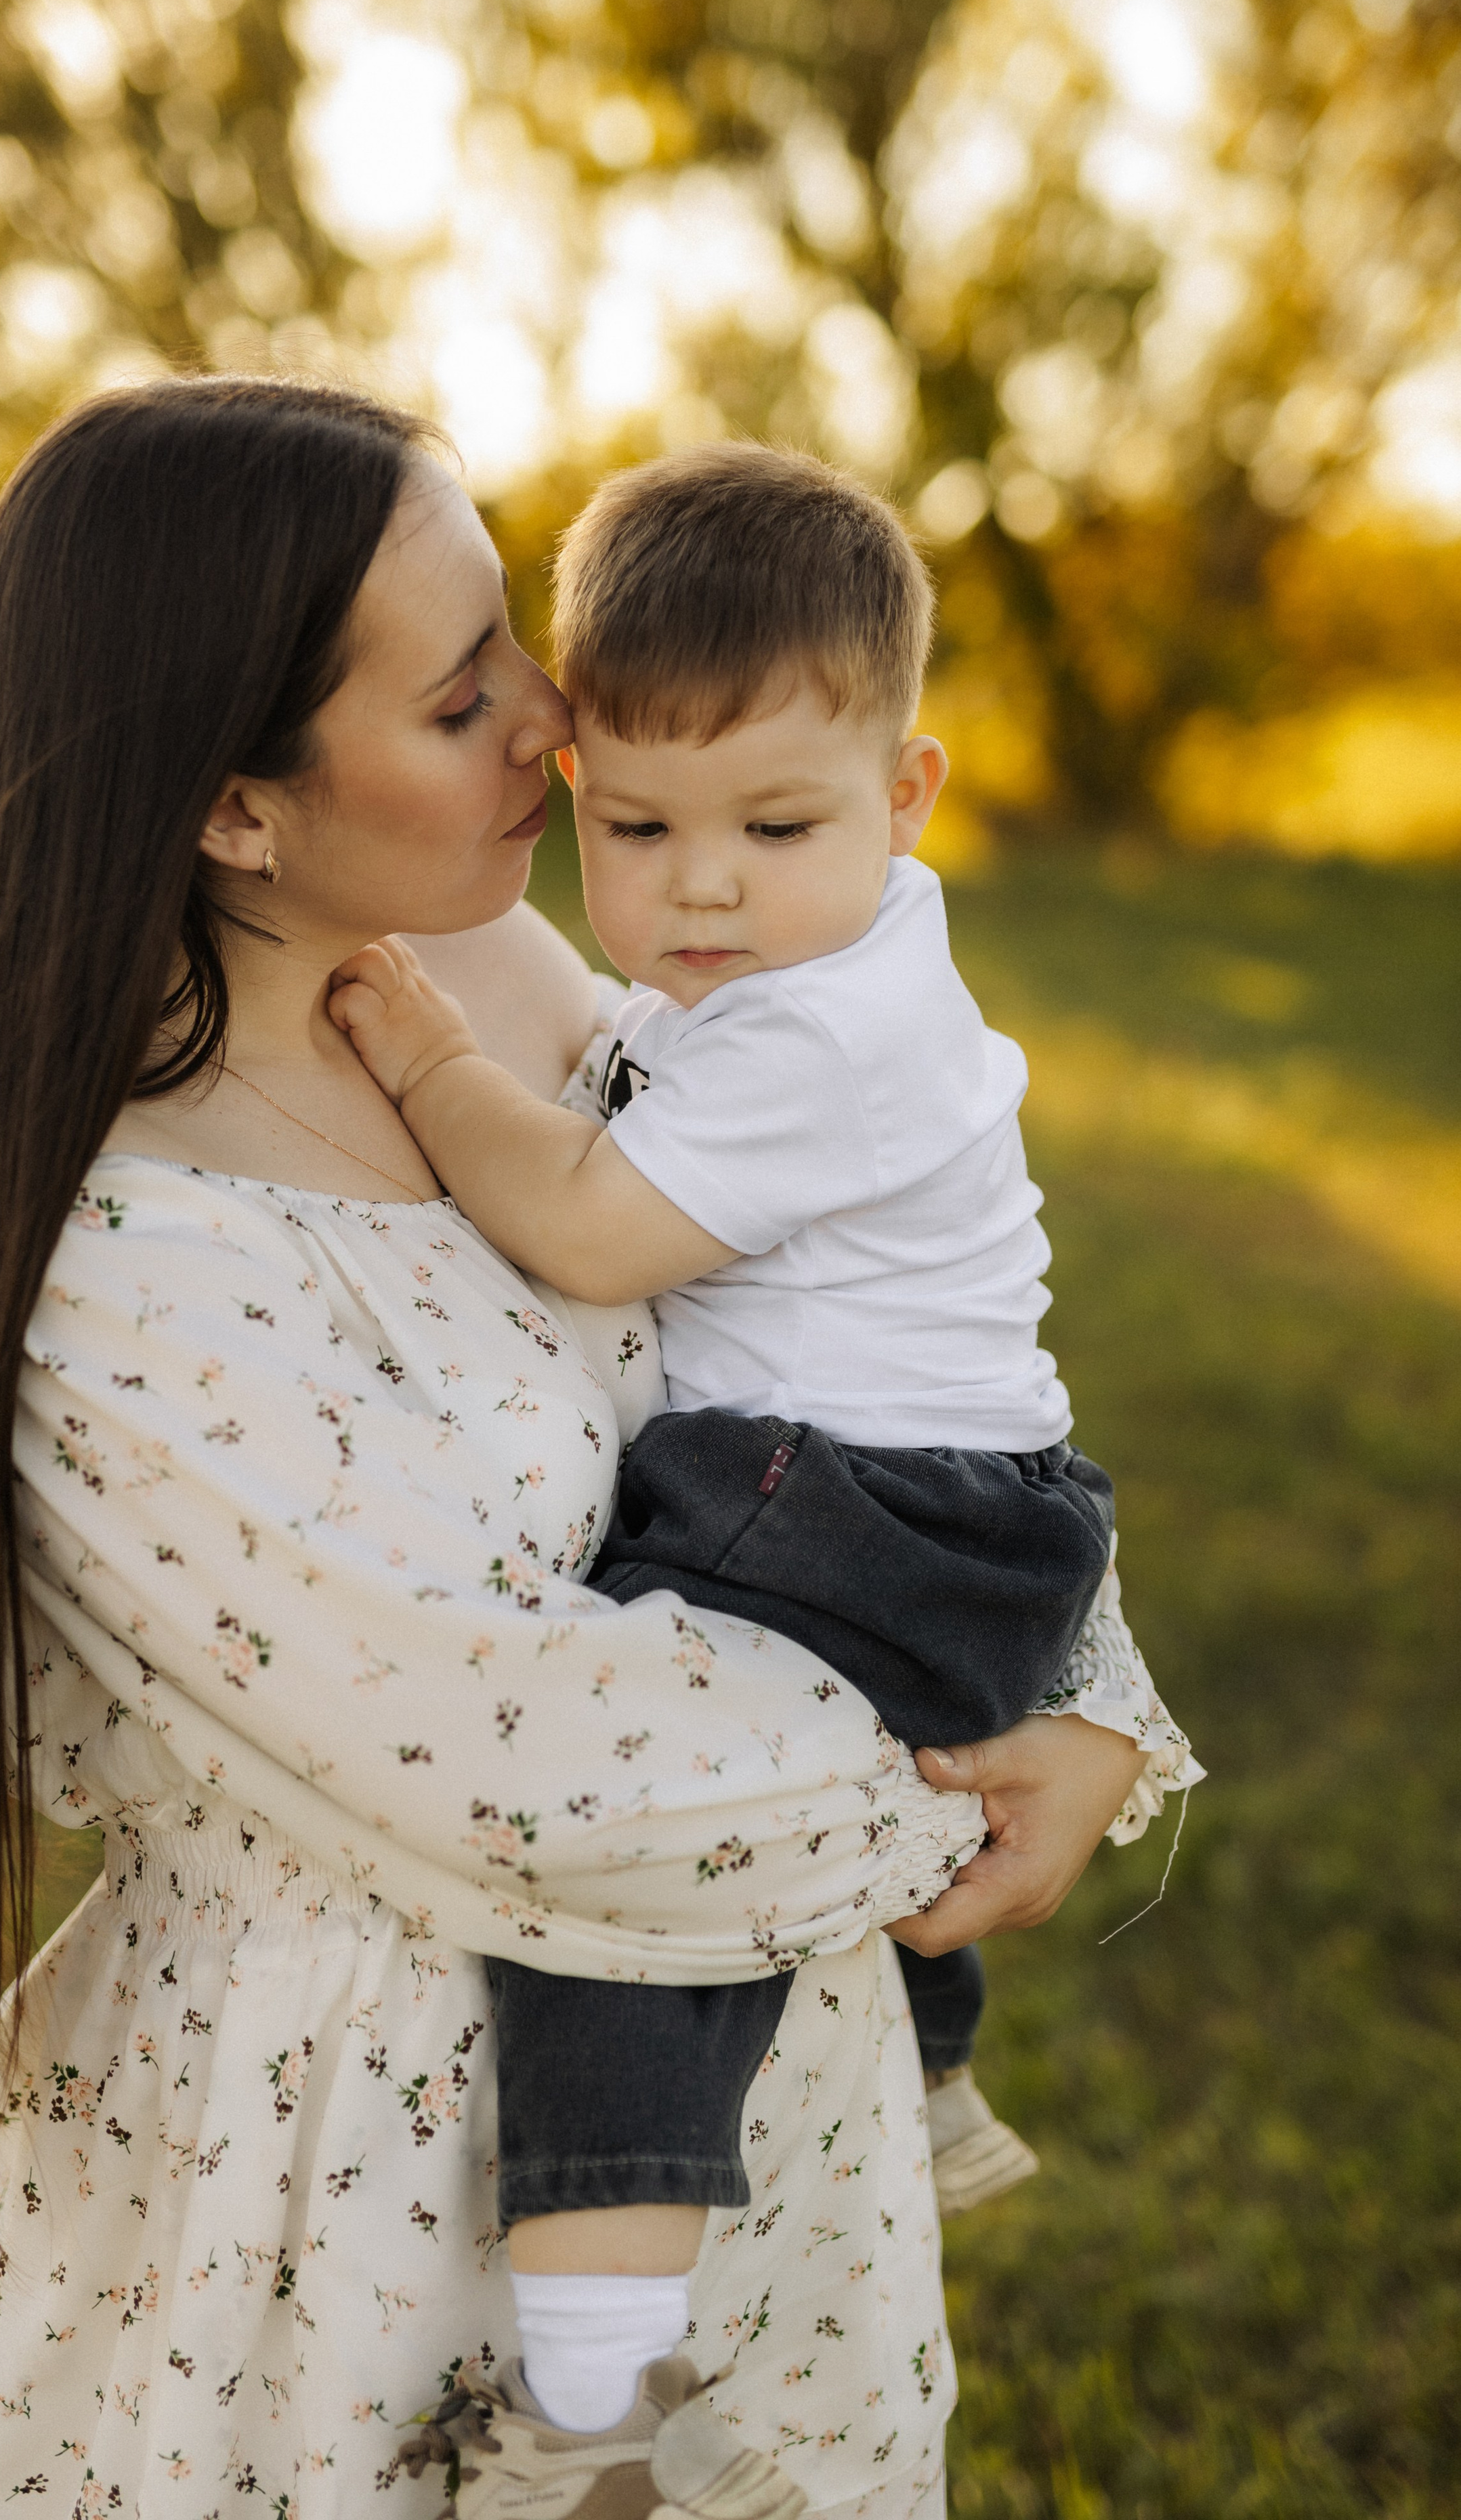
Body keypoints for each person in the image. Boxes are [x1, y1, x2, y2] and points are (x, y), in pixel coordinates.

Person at [0, 379, 1197, 2520]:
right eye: (458, 696)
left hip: (743, 2070)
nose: (554, 716)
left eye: (514, 632)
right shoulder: (128, 1264)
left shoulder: (518, 971)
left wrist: (1078, 1696)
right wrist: (948, 1786)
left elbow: (869, 1353)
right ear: (239, 809)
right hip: (364, 2164)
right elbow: (522, 1759)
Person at [326, 440, 1195, 2457]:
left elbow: (584, 1221)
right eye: (637, 823)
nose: (700, 885)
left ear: (911, 794)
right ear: (575, 790)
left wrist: (435, 1058)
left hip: (863, 1498)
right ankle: (935, 2057)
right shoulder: (817, 954)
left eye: (776, 823)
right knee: (793, 1780)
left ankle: (593, 2375)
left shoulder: (822, 1030)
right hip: (954, 1500)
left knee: (637, 1850)